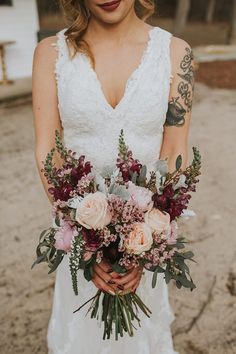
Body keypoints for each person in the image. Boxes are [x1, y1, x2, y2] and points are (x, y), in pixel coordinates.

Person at [32, 0, 194, 353]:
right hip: (79, 233)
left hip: (144, 238)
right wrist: (86, 239)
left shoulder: (175, 53)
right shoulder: (50, 53)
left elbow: (176, 150)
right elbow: (48, 149)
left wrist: (144, 241)